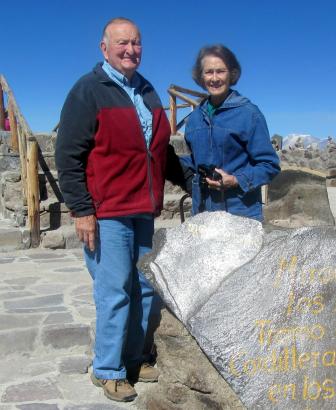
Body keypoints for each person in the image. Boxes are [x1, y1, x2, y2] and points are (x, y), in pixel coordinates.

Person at [55, 17, 173, 402]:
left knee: (142, 289)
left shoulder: (148, 91)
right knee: (115, 291)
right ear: (104, 49)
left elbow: (159, 150)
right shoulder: (89, 90)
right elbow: (68, 155)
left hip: (143, 209)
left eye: (136, 43)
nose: (131, 50)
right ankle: (107, 368)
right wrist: (81, 209)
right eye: (122, 43)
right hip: (107, 212)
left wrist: (192, 178)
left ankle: (134, 359)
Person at [181, 44, 280, 221]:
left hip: (240, 214)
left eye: (221, 71)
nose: (214, 78)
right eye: (208, 72)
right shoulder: (194, 119)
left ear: (232, 74)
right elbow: (195, 161)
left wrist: (235, 180)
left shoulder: (249, 114)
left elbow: (269, 165)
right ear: (200, 77)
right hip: (202, 213)